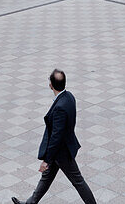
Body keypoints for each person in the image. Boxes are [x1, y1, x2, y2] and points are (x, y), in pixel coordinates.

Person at [12, 70, 96, 204]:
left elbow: (56, 137)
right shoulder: (69, 97)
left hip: (61, 153)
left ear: (51, 85)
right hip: (62, 148)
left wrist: (47, 160)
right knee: (46, 178)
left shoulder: (60, 108)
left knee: (78, 181)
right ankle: (30, 203)